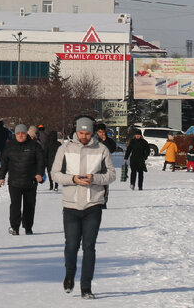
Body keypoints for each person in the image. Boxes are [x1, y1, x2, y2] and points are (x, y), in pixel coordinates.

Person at [53, 116, 116, 299]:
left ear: (93, 132)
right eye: (81, 133)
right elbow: (55, 174)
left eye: (87, 133)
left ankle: (86, 287)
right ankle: (69, 275)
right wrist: (72, 179)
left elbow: (111, 175)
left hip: (93, 203)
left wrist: (94, 178)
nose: (84, 136)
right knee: (71, 245)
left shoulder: (102, 149)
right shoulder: (64, 148)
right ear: (76, 131)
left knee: (89, 246)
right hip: (71, 204)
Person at [0, 123, 45, 235]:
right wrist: (1, 176)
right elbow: (4, 162)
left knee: (29, 205)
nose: (20, 135)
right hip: (14, 181)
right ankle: (15, 227)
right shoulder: (10, 146)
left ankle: (28, 227)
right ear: (15, 134)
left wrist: (39, 173)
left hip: (30, 181)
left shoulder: (34, 145)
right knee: (15, 205)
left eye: (23, 133)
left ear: (26, 134)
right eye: (18, 133)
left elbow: (41, 161)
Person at [39, 124, 60, 190]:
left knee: (50, 173)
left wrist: (45, 160)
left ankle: (51, 185)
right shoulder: (59, 144)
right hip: (57, 161)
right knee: (56, 173)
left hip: (49, 161)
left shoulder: (47, 144)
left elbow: (45, 153)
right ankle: (56, 185)